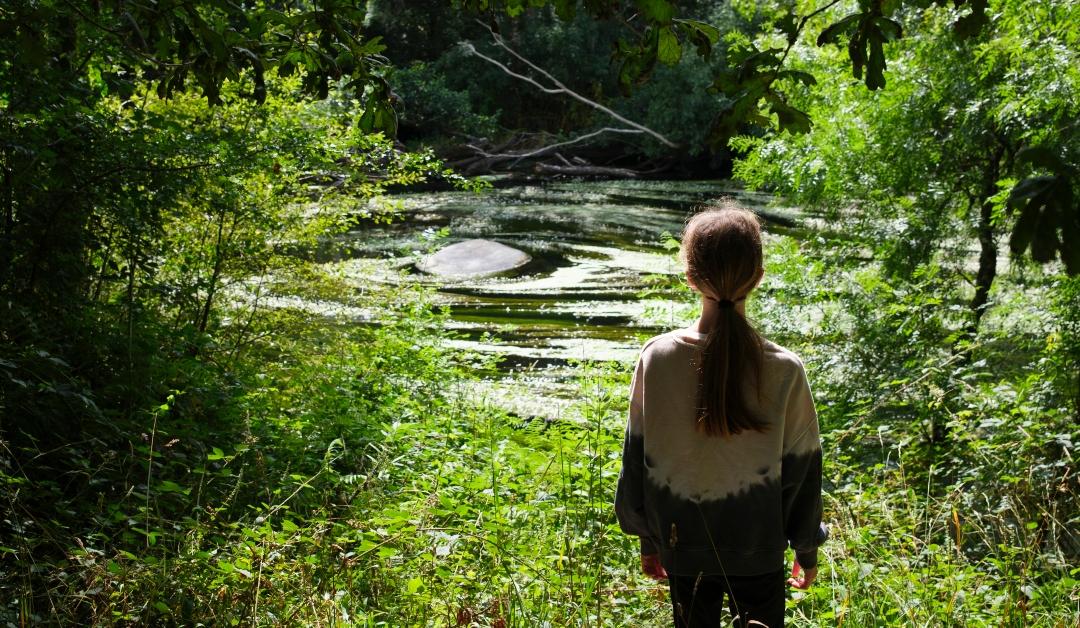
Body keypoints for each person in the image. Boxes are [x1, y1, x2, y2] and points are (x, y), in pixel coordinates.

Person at [615, 203, 825, 628]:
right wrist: (806, 549)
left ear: (690, 277)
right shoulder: (785, 368)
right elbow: (802, 474)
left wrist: (647, 540)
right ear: (758, 277)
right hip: (759, 548)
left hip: (681, 543)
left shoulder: (657, 358)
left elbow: (637, 458)